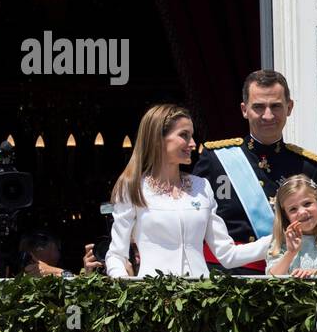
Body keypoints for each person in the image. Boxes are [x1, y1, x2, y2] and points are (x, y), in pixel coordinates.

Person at [190, 69, 317, 276]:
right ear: (244, 109)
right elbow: (190, 217)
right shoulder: (215, 159)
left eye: (276, 106)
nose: (268, 115)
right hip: (225, 277)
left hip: (285, 279)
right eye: (258, 107)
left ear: (289, 107)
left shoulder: (308, 166)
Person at [104, 104, 270, 278]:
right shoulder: (133, 187)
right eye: (184, 135)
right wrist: (124, 289)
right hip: (152, 297)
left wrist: (276, 241)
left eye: (192, 136)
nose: (192, 143)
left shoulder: (202, 186)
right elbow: (116, 255)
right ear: (157, 139)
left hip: (200, 296)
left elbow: (227, 255)